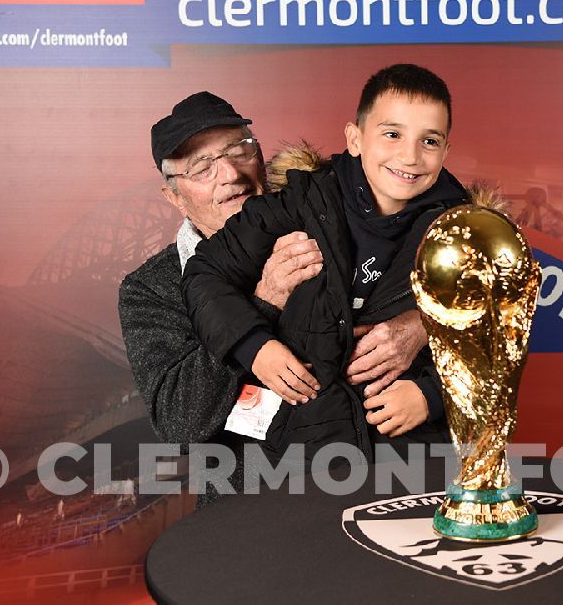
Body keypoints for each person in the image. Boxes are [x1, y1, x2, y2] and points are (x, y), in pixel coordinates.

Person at [119, 91, 426, 504]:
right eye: (201, 167)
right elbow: (179, 420)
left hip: (385, 477)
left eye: (238, 150)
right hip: (256, 505)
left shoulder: (329, 214)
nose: (230, 174)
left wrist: (426, 323)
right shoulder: (151, 287)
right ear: (173, 196)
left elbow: (478, 279)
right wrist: (263, 301)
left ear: (261, 155)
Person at [182, 64, 474, 464]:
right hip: (303, 454)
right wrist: (254, 348)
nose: (410, 156)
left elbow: (498, 336)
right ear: (355, 139)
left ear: (446, 152)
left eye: (430, 141)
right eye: (392, 134)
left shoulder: (467, 233)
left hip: (413, 452)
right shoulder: (296, 204)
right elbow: (204, 276)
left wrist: (432, 395)